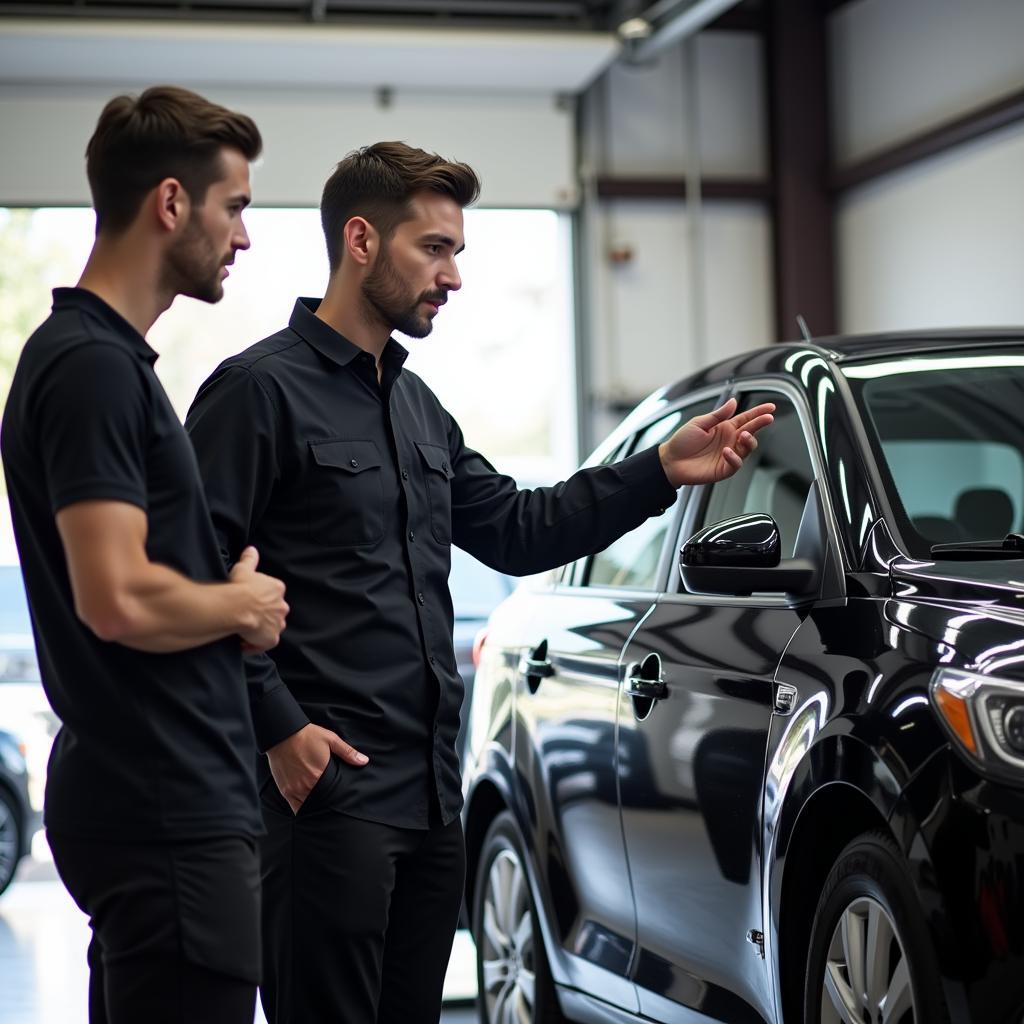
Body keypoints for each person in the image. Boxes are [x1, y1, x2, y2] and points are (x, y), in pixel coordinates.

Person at [184, 140, 773, 1024]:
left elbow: (520, 527)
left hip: (429, 800)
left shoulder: (419, 410)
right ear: (360, 241)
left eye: (456, 250)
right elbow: (197, 579)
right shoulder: (256, 394)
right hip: (325, 795)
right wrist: (281, 733)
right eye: (434, 247)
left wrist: (658, 470)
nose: (452, 275)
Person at [0, 86, 290, 1024]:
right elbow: (116, 597)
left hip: (162, 799)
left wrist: (214, 594)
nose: (243, 237)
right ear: (172, 203)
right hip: (164, 807)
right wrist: (242, 608)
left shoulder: (103, 362)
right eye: (234, 207)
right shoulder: (89, 369)